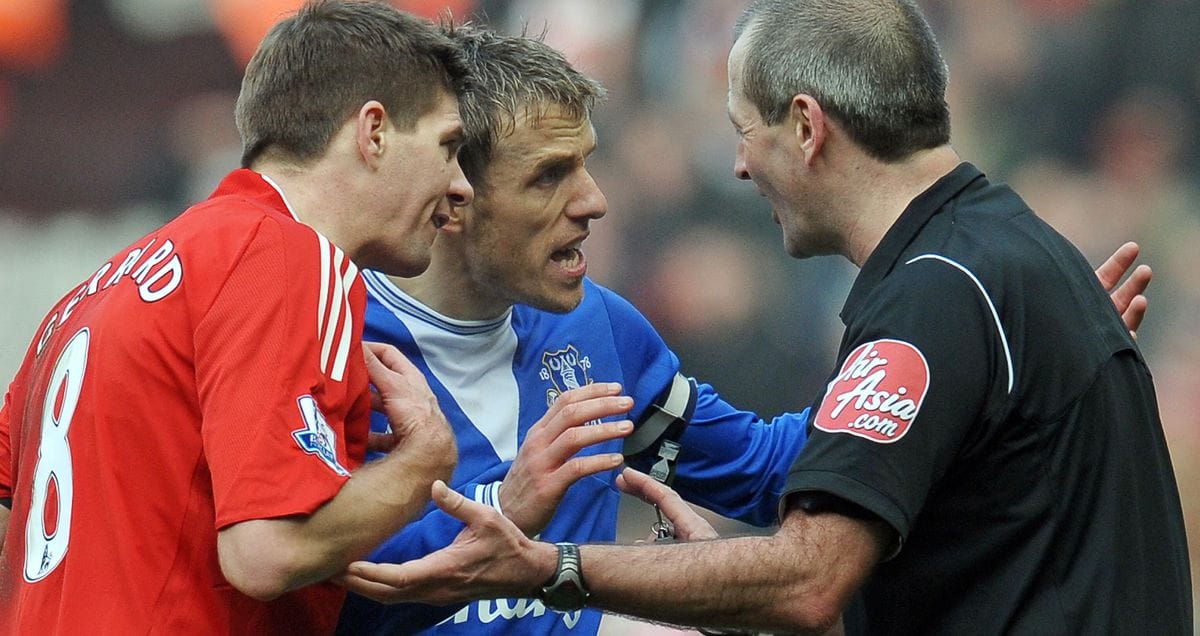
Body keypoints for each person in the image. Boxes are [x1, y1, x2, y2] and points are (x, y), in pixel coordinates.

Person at [335, 1, 1191, 634]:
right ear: (455, 193)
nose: (594, 201)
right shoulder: (332, 338)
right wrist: (498, 507)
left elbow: (763, 467)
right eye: (549, 176)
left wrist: (986, 390)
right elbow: (284, 569)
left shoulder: (601, 334)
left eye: (587, 165)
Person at [0, 1, 478, 633]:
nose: (461, 185)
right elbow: (265, 553)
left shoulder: (94, 292)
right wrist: (424, 465)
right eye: (448, 147)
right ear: (374, 131)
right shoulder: (289, 253)